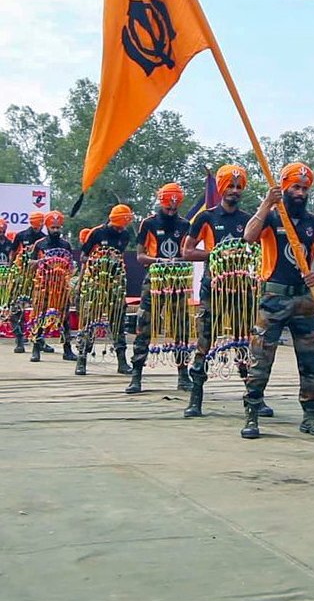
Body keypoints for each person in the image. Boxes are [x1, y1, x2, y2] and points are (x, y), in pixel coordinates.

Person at [240, 162, 314, 439]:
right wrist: (266, 203)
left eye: (305, 188)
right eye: (295, 186)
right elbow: (249, 236)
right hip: (274, 298)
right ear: (284, 187)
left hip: (304, 300)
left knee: (310, 361)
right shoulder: (271, 217)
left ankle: (310, 416)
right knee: (260, 359)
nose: (300, 193)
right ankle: (252, 415)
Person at [182, 165, 254, 419]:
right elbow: (187, 251)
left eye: (238, 186)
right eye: (230, 186)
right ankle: (195, 399)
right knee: (204, 341)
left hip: (241, 289)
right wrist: (215, 254)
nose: (234, 191)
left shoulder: (248, 220)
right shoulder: (206, 218)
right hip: (213, 288)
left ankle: (254, 400)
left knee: (244, 344)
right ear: (222, 188)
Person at [127, 183, 194, 394]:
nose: (171, 211)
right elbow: (140, 256)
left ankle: (183, 374)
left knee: (181, 327)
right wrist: (158, 261)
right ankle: (136, 375)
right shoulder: (148, 223)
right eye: (168, 207)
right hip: (155, 279)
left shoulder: (186, 225)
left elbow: (188, 253)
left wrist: (178, 260)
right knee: (144, 325)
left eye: (175, 207)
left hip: (179, 280)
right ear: (161, 202)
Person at [72, 205, 133, 378]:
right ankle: (81, 360)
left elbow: (120, 257)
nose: (121, 228)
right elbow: (83, 257)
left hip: (114, 285)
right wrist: (100, 258)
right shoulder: (97, 233)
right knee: (89, 322)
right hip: (94, 284)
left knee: (118, 323)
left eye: (123, 225)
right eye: (119, 225)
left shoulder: (126, 235)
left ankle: (122, 362)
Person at [28, 210, 76, 363]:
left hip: (61, 288)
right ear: (47, 227)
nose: (56, 230)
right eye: (53, 227)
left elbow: (71, 266)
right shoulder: (40, 244)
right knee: (40, 317)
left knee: (64, 319)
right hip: (44, 287)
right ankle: (36, 349)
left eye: (58, 227)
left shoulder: (66, 244)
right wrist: (42, 262)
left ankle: (67, 349)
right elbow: (30, 264)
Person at [7, 210, 46, 353]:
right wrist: (11, 272)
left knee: (39, 309)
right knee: (16, 308)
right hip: (20, 277)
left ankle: (39, 340)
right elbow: (13, 253)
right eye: (39, 222)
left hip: (37, 278)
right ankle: (19, 339)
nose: (41, 225)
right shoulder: (21, 236)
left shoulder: (43, 238)